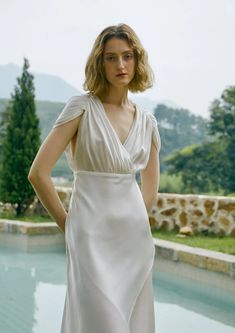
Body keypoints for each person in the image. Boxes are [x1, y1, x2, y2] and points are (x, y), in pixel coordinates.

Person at [28, 23, 161, 333]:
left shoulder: (148, 122)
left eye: (127, 56)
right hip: (89, 234)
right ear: (99, 63)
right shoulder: (81, 109)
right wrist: (69, 224)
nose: (120, 65)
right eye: (110, 58)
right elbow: (38, 174)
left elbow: (150, 192)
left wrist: (132, 223)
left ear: (137, 61)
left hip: (133, 240)